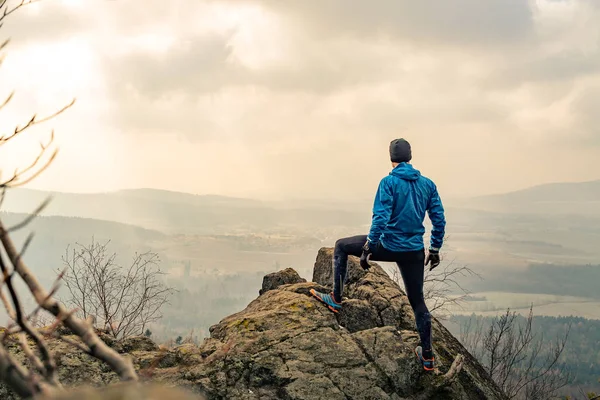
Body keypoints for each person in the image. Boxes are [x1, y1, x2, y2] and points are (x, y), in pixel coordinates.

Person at [310, 138, 446, 372]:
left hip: (389, 246)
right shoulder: (428, 185)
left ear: (391, 158)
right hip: (414, 251)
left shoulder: (389, 183)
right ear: (410, 157)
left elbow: (380, 218)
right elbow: (439, 219)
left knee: (341, 246)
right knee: (418, 302)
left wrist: (369, 247)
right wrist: (434, 249)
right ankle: (427, 356)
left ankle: (336, 298)